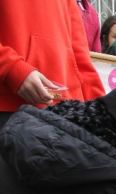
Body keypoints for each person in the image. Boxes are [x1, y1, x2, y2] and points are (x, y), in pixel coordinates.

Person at [0, 0, 104, 129]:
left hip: (67, 112)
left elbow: (79, 56)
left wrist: (100, 110)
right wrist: (11, 68)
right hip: (9, 106)